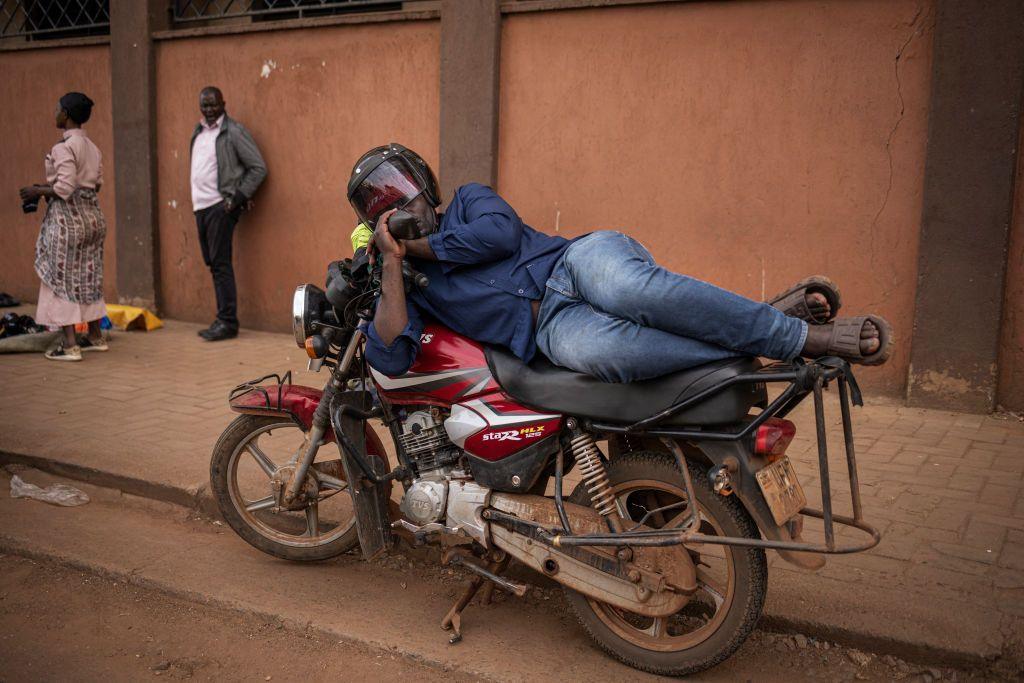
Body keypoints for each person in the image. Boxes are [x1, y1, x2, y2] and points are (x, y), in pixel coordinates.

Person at [347, 143, 892, 382]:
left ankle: (807, 341)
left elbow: (501, 234)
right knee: (612, 356)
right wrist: (393, 266)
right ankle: (773, 327)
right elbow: (392, 356)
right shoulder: (412, 285)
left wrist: (419, 246)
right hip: (550, 329)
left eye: (402, 192)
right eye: (381, 206)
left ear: (426, 187)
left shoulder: (467, 201)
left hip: (576, 263)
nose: (397, 208)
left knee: (639, 294)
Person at [19, 92, 108, 362]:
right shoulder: (92, 147)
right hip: (92, 219)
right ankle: (95, 336)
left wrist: (37, 191)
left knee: (60, 280)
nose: (54, 113)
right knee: (88, 276)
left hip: (67, 222)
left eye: (57, 109)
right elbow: (97, 184)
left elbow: (65, 187)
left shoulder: (63, 148)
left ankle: (69, 344)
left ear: (66, 115)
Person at [189, 86, 267, 341]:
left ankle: (227, 322)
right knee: (213, 262)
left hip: (220, 206)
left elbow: (258, 167)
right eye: (205, 105)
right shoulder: (199, 131)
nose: (209, 110)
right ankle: (223, 318)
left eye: (213, 105)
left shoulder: (233, 131)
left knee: (220, 264)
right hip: (200, 206)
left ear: (223, 103)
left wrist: (238, 198)